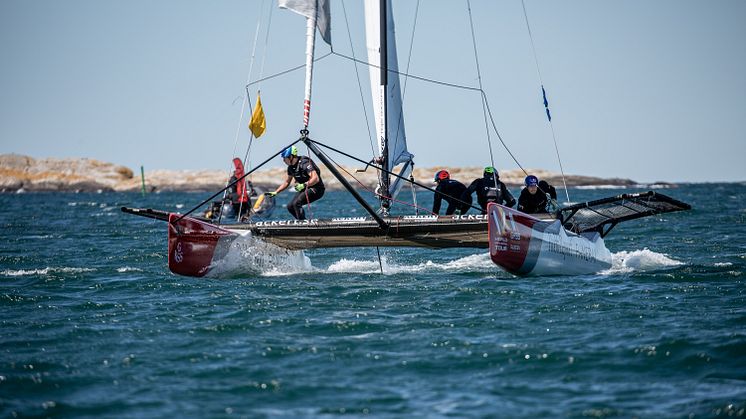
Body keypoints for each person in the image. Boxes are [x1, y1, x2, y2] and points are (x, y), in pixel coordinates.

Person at [266, 145, 325, 220]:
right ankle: (302, 221)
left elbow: (315, 179)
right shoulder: (290, 168)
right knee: (290, 206)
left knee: (296, 203)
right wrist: (276, 192)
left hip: (317, 189)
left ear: (291, 157)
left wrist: (304, 185)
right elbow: (287, 182)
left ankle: (303, 224)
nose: (283, 160)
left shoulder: (304, 163)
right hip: (305, 189)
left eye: (285, 158)